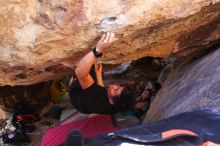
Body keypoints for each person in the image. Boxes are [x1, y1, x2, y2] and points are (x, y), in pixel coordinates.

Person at [68, 32, 136, 115]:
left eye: (115, 90)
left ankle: (73, 66)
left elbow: (80, 73)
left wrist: (98, 50)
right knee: (96, 71)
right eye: (120, 86)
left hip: (76, 93)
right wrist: (98, 74)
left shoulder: (96, 96)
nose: (115, 85)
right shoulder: (118, 106)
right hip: (88, 105)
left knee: (87, 67)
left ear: (112, 101)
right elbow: (102, 91)